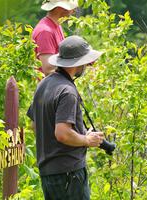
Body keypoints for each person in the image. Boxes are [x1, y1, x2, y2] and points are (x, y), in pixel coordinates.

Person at [27, 35, 105, 200]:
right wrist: (86, 140)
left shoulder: (44, 84)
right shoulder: (67, 91)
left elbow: (34, 126)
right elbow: (62, 133)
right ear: (77, 63)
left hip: (49, 173)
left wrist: (80, 133)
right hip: (69, 175)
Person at [32, 0, 78, 76]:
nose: (73, 11)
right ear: (60, 8)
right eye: (71, 8)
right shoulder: (45, 31)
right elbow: (48, 69)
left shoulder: (56, 25)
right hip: (49, 86)